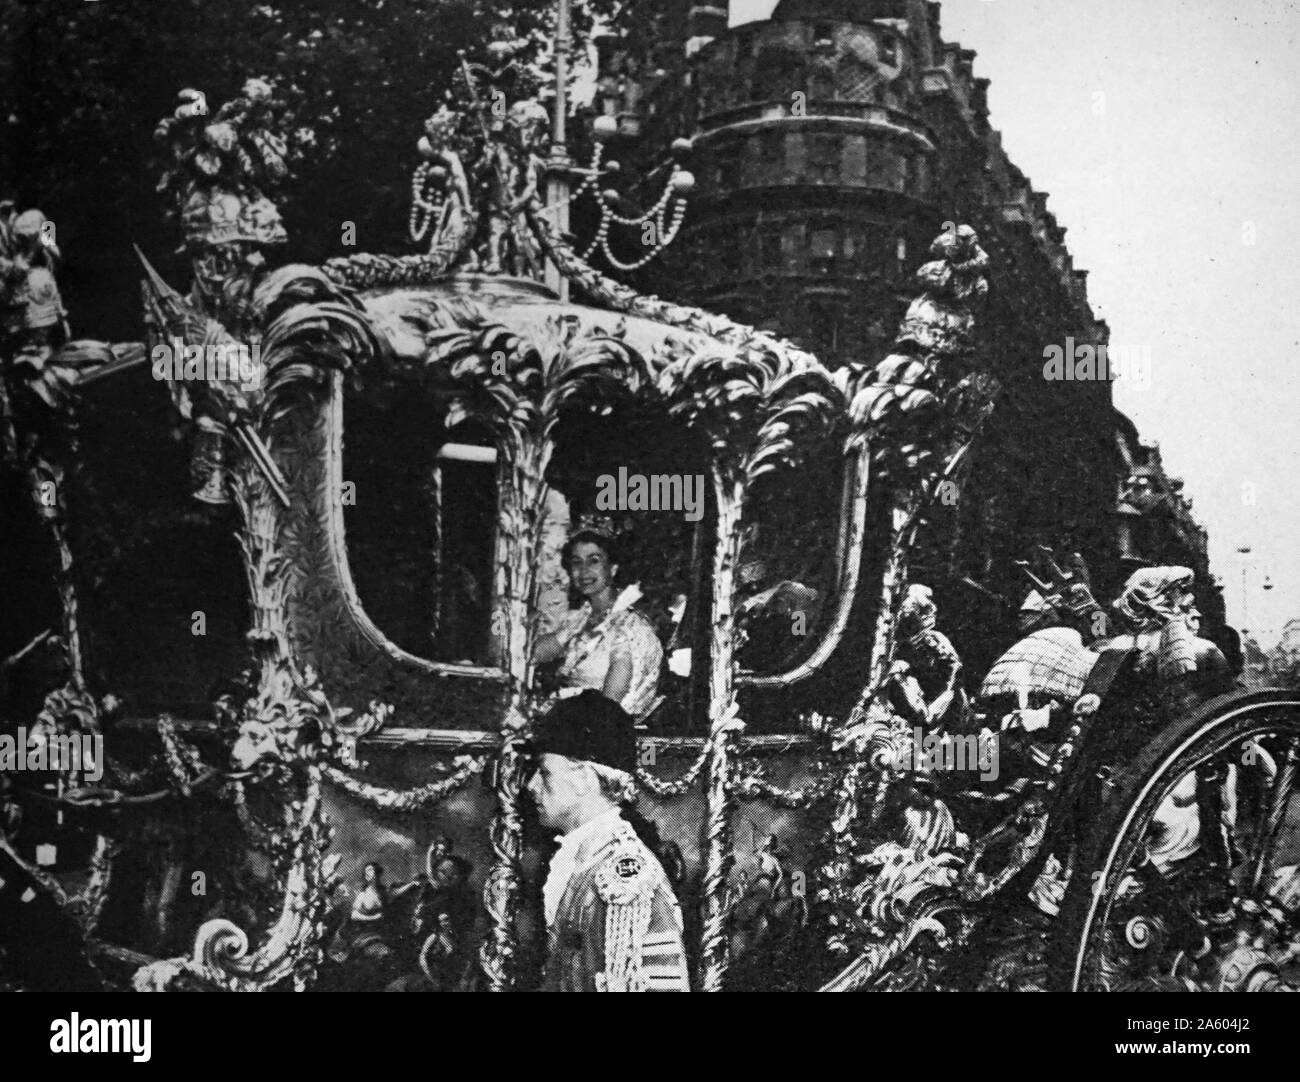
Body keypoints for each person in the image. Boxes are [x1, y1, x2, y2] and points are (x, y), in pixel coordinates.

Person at [523, 693, 690, 992]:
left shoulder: (624, 876)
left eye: (544, 772)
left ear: (584, 778)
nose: (531, 785)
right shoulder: (584, 859)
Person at [533, 522, 663, 719]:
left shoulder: (629, 628)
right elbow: (531, 655)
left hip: (602, 730)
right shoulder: (579, 617)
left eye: (593, 561)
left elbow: (610, 704)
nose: (583, 571)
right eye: (576, 562)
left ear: (613, 569)